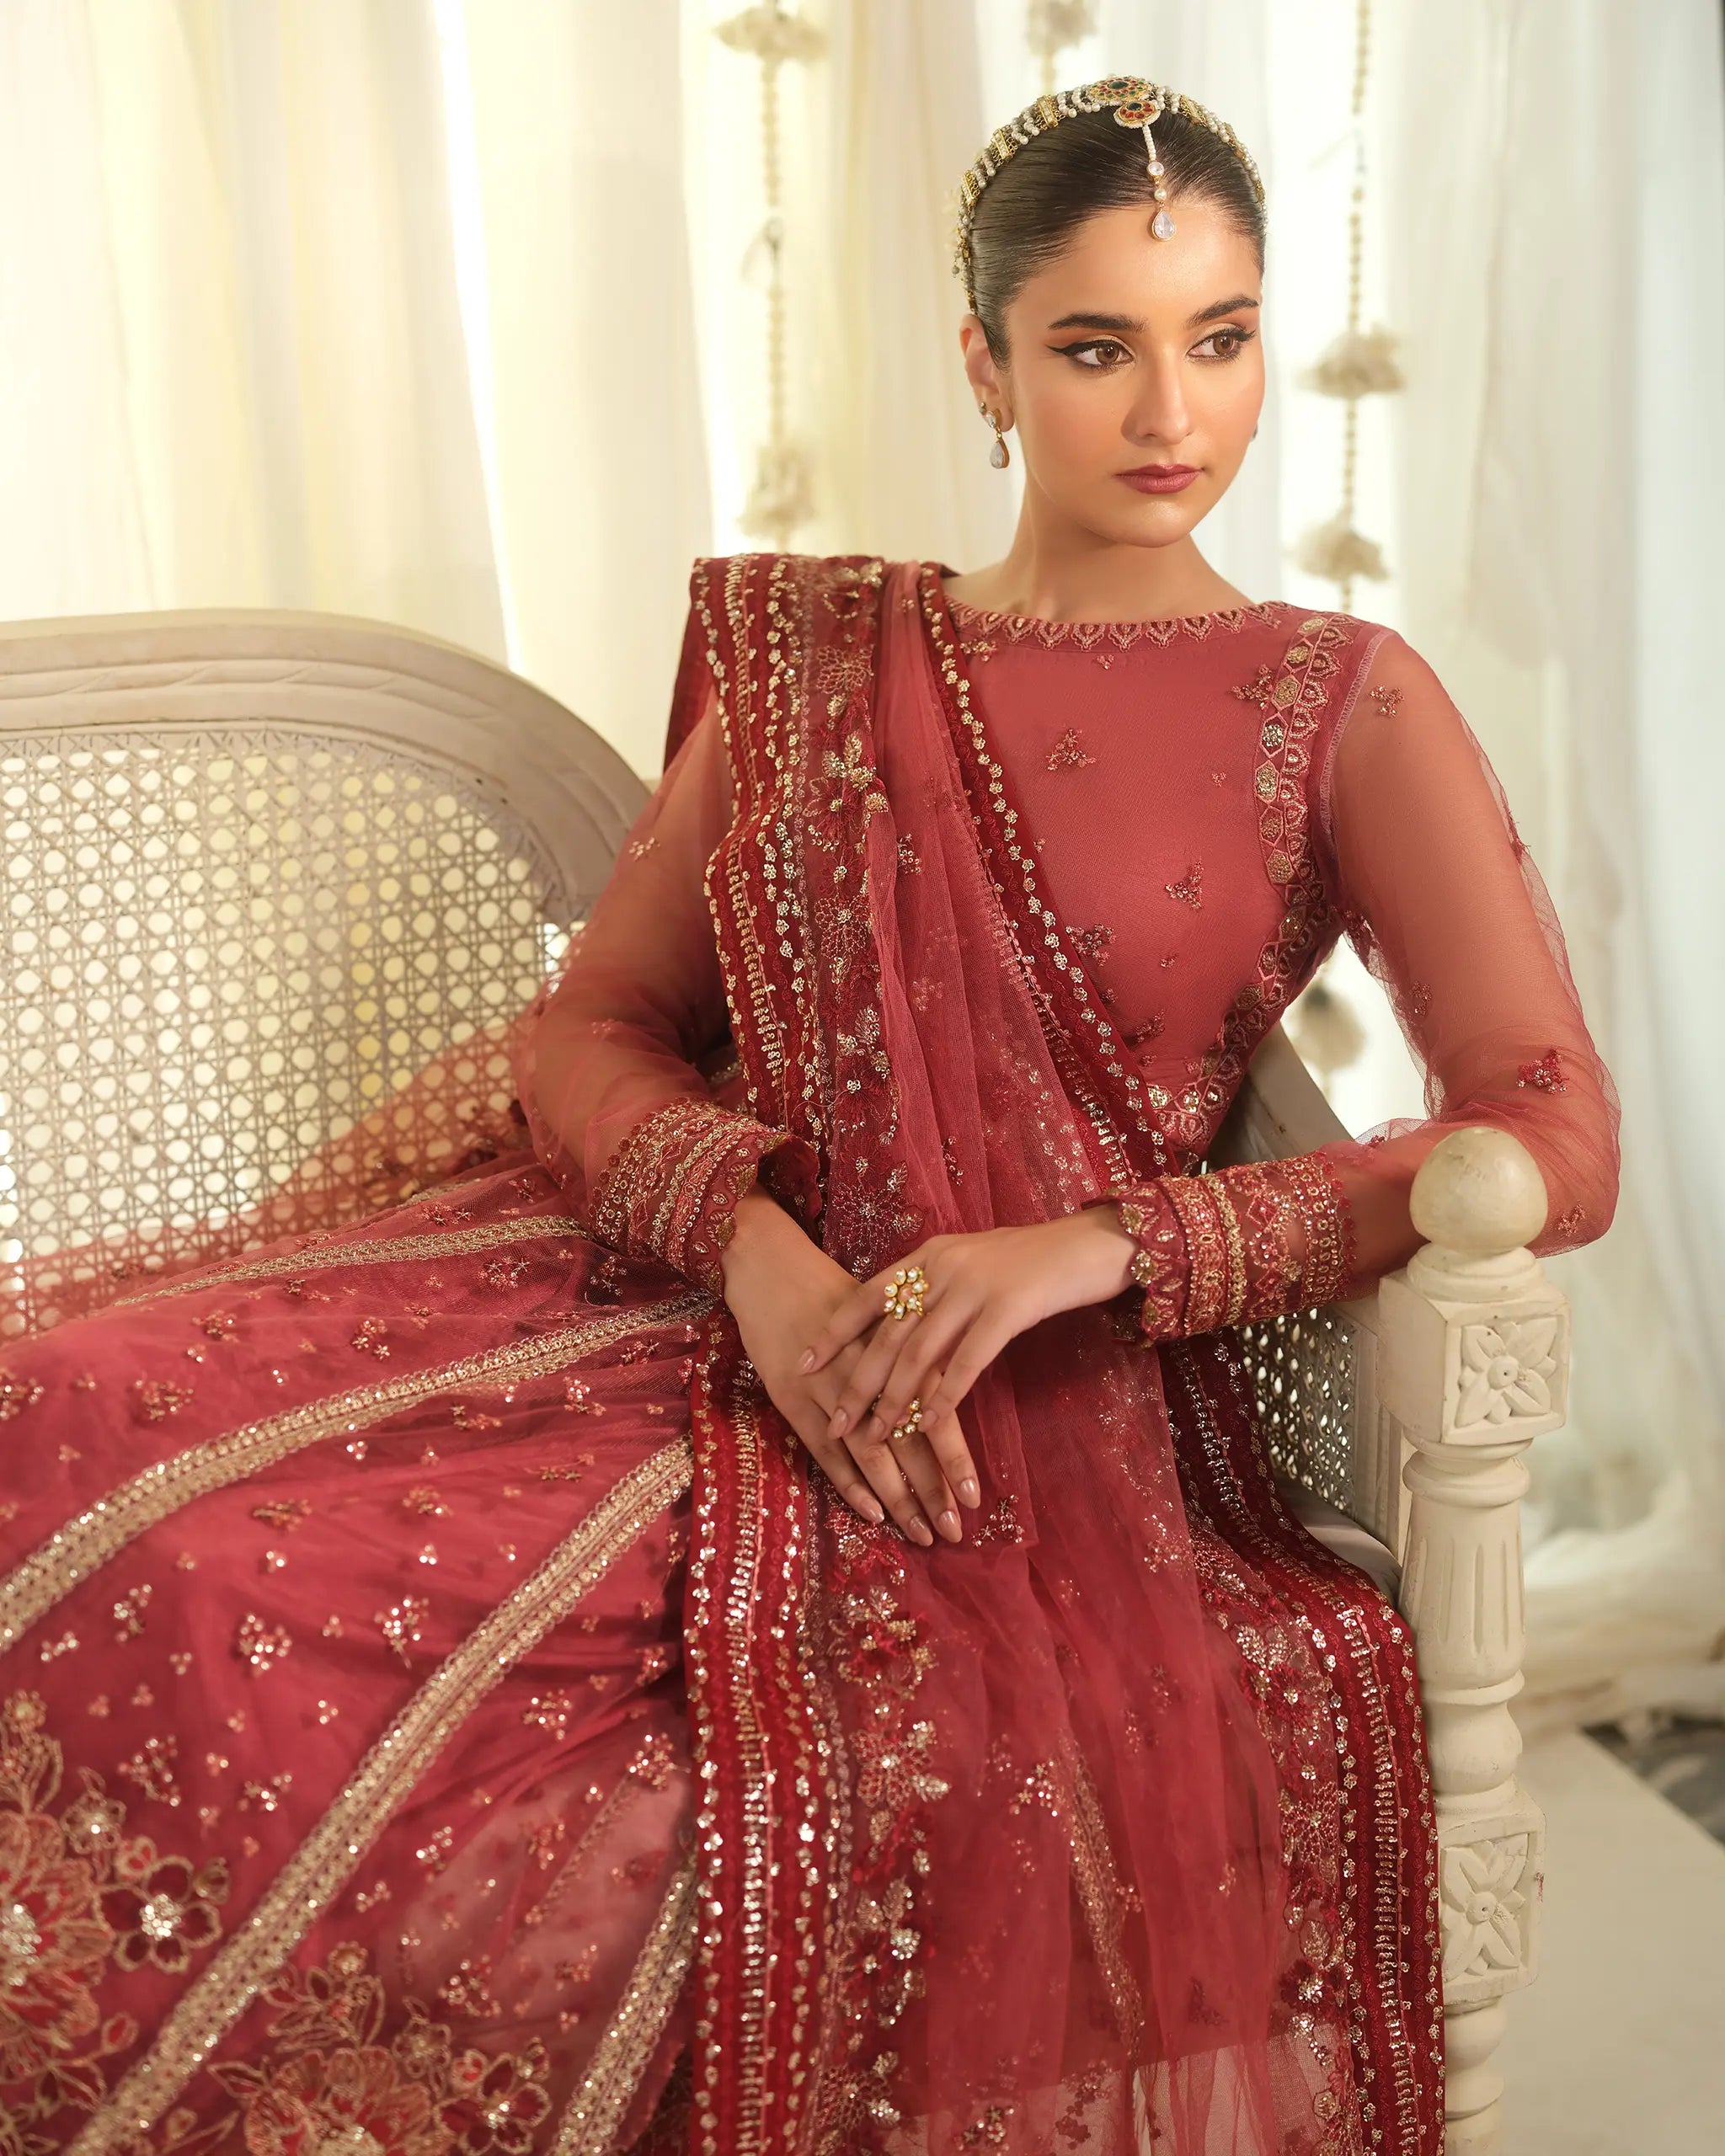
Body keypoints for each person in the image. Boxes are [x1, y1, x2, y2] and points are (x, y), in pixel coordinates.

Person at [0, 76, 1618, 2156]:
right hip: (686, 1309)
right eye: (1094, 344)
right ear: (986, 362)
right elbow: (591, 1028)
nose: (1169, 411)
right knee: (91, 1430)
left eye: (1218, 338)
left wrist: (1111, 1243)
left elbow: (1543, 1129)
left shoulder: (1336, 693)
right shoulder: (828, 660)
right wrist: (759, 1265)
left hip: (1044, 1392)